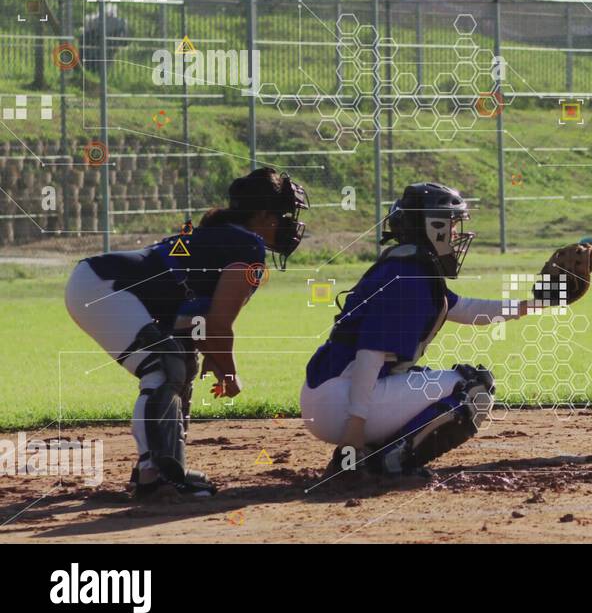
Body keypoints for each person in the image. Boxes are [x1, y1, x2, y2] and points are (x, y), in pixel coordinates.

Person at [64, 167, 310, 497]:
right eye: (284, 215)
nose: (289, 223)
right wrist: (230, 373)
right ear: (264, 215)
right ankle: (159, 474)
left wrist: (211, 355)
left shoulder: (226, 236)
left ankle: (162, 467)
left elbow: (194, 323)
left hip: (97, 283)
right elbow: (218, 324)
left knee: (179, 361)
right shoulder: (249, 247)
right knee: (163, 366)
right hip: (104, 287)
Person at [301, 182, 525, 479]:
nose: (456, 234)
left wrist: (536, 303)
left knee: (421, 378)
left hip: (331, 393)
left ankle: (370, 453)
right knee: (474, 388)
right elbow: (370, 354)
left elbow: (470, 309)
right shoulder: (408, 276)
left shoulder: (409, 267)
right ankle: (386, 463)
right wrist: (353, 432)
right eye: (450, 224)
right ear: (431, 226)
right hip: (339, 403)